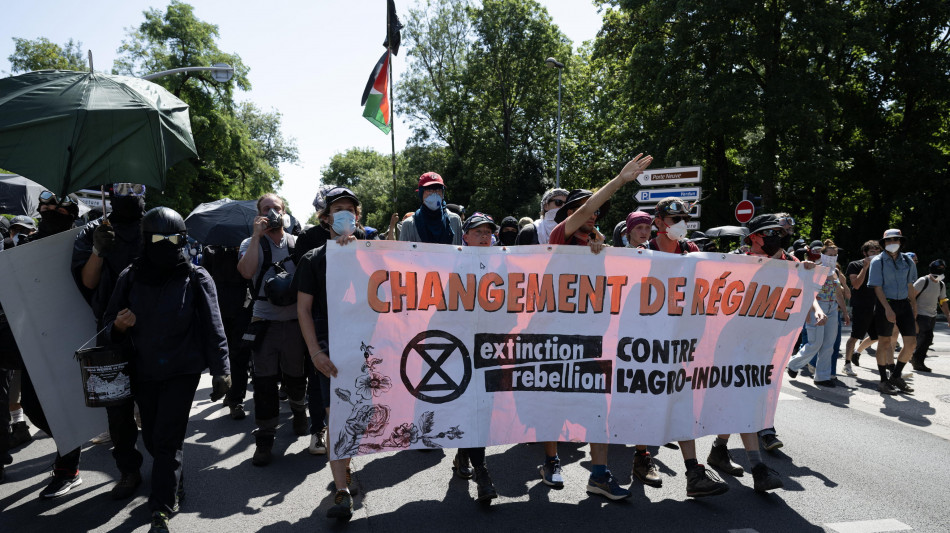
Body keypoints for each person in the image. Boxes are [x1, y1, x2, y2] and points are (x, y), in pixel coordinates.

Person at [103, 207, 231, 533]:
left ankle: (159, 510)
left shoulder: (195, 277)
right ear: (147, 240)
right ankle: (173, 481)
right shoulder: (129, 276)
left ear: (183, 240)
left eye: (174, 239)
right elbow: (107, 327)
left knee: (168, 441)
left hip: (182, 370)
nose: (167, 244)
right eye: (160, 239)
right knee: (155, 437)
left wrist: (222, 370)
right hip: (143, 370)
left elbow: (214, 326)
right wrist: (119, 326)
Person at [544, 153, 653, 501]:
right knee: (552, 404)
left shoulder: (602, 249)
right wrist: (620, 181)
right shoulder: (559, 238)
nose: (593, 214)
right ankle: (550, 461)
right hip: (558, 339)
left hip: (595, 341)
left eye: (595, 212)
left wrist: (602, 257)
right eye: (585, 210)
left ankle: (600, 474)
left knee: (599, 405)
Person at [646, 197, 733, 497]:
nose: (680, 224)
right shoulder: (643, 254)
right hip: (649, 342)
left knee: (682, 403)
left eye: (684, 218)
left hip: (683, 342)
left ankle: (693, 471)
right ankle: (641, 456)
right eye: (673, 219)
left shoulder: (691, 250)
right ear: (658, 222)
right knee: (646, 401)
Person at [71, 183, 149, 500]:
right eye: (122, 187)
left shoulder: (156, 224)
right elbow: (88, 282)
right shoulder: (92, 230)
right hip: (111, 332)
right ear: (110, 192)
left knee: (158, 406)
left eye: (136, 186)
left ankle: (169, 469)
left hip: (154, 331)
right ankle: (128, 470)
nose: (129, 192)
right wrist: (99, 251)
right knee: (117, 412)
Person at [0, 191, 79, 488]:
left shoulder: (82, 244)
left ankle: (68, 464)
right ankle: (69, 448)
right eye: (44, 207)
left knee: (69, 406)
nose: (48, 211)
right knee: (35, 409)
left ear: (70, 215)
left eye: (57, 209)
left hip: (72, 338)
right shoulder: (25, 246)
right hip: (35, 342)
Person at [296, 186, 362, 520]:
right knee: (337, 419)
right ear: (326, 218)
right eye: (339, 208)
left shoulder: (372, 255)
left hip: (365, 350)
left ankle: (346, 470)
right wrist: (315, 353)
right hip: (329, 352)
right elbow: (303, 311)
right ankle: (341, 491)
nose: (345, 214)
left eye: (351, 209)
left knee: (356, 419)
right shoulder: (312, 260)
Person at [237, 193, 309, 466]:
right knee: (265, 382)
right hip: (263, 321)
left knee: (295, 374)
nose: (272, 213)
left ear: (285, 212)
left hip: (293, 321)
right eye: (266, 209)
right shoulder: (248, 243)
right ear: (258, 214)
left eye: (276, 208)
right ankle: (265, 439)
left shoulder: (296, 243)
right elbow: (245, 272)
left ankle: (299, 411)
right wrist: (256, 236)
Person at [446, 212, 501, 502]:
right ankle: (482, 471)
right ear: (465, 236)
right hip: (460, 351)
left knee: (483, 410)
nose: (484, 236)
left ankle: (462, 455)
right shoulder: (448, 267)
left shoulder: (505, 266)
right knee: (472, 408)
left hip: (491, 350)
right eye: (477, 232)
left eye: (488, 232)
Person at [786, 239, 851, 385]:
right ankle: (793, 364)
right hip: (816, 307)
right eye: (830, 254)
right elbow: (809, 293)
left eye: (835, 254)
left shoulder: (836, 272)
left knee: (829, 344)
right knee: (815, 343)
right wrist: (813, 311)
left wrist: (845, 312)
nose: (833, 257)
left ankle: (822, 377)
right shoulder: (814, 269)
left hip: (832, 308)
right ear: (822, 255)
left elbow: (838, 294)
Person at [867, 228, 917, 395]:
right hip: (885, 304)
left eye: (895, 240)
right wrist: (888, 309)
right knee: (885, 342)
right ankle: (883, 381)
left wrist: (914, 309)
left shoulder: (908, 262)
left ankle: (895, 376)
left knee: (911, 343)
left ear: (901, 242)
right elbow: (877, 287)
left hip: (904, 305)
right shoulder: (878, 261)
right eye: (888, 241)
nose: (892, 243)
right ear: (884, 243)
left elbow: (910, 286)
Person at [844, 240, 882, 372]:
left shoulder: (880, 265)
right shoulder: (855, 265)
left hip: (877, 305)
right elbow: (856, 285)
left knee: (877, 336)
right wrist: (865, 268)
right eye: (872, 252)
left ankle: (857, 352)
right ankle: (847, 364)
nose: (876, 254)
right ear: (865, 253)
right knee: (855, 336)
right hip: (861, 305)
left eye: (878, 252)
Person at [399, 172, 462, 245]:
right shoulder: (409, 224)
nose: (435, 194)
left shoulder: (454, 220)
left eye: (438, 190)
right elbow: (404, 255)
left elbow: (460, 252)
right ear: (421, 193)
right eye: (429, 190)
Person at [911, 260, 948, 372]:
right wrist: (913, 314)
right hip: (920, 314)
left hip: (932, 316)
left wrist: (948, 316)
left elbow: (943, 301)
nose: (940, 271)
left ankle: (912, 357)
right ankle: (917, 361)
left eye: (942, 268)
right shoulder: (923, 280)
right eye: (938, 268)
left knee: (922, 339)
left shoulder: (941, 284)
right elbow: (911, 296)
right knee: (927, 337)